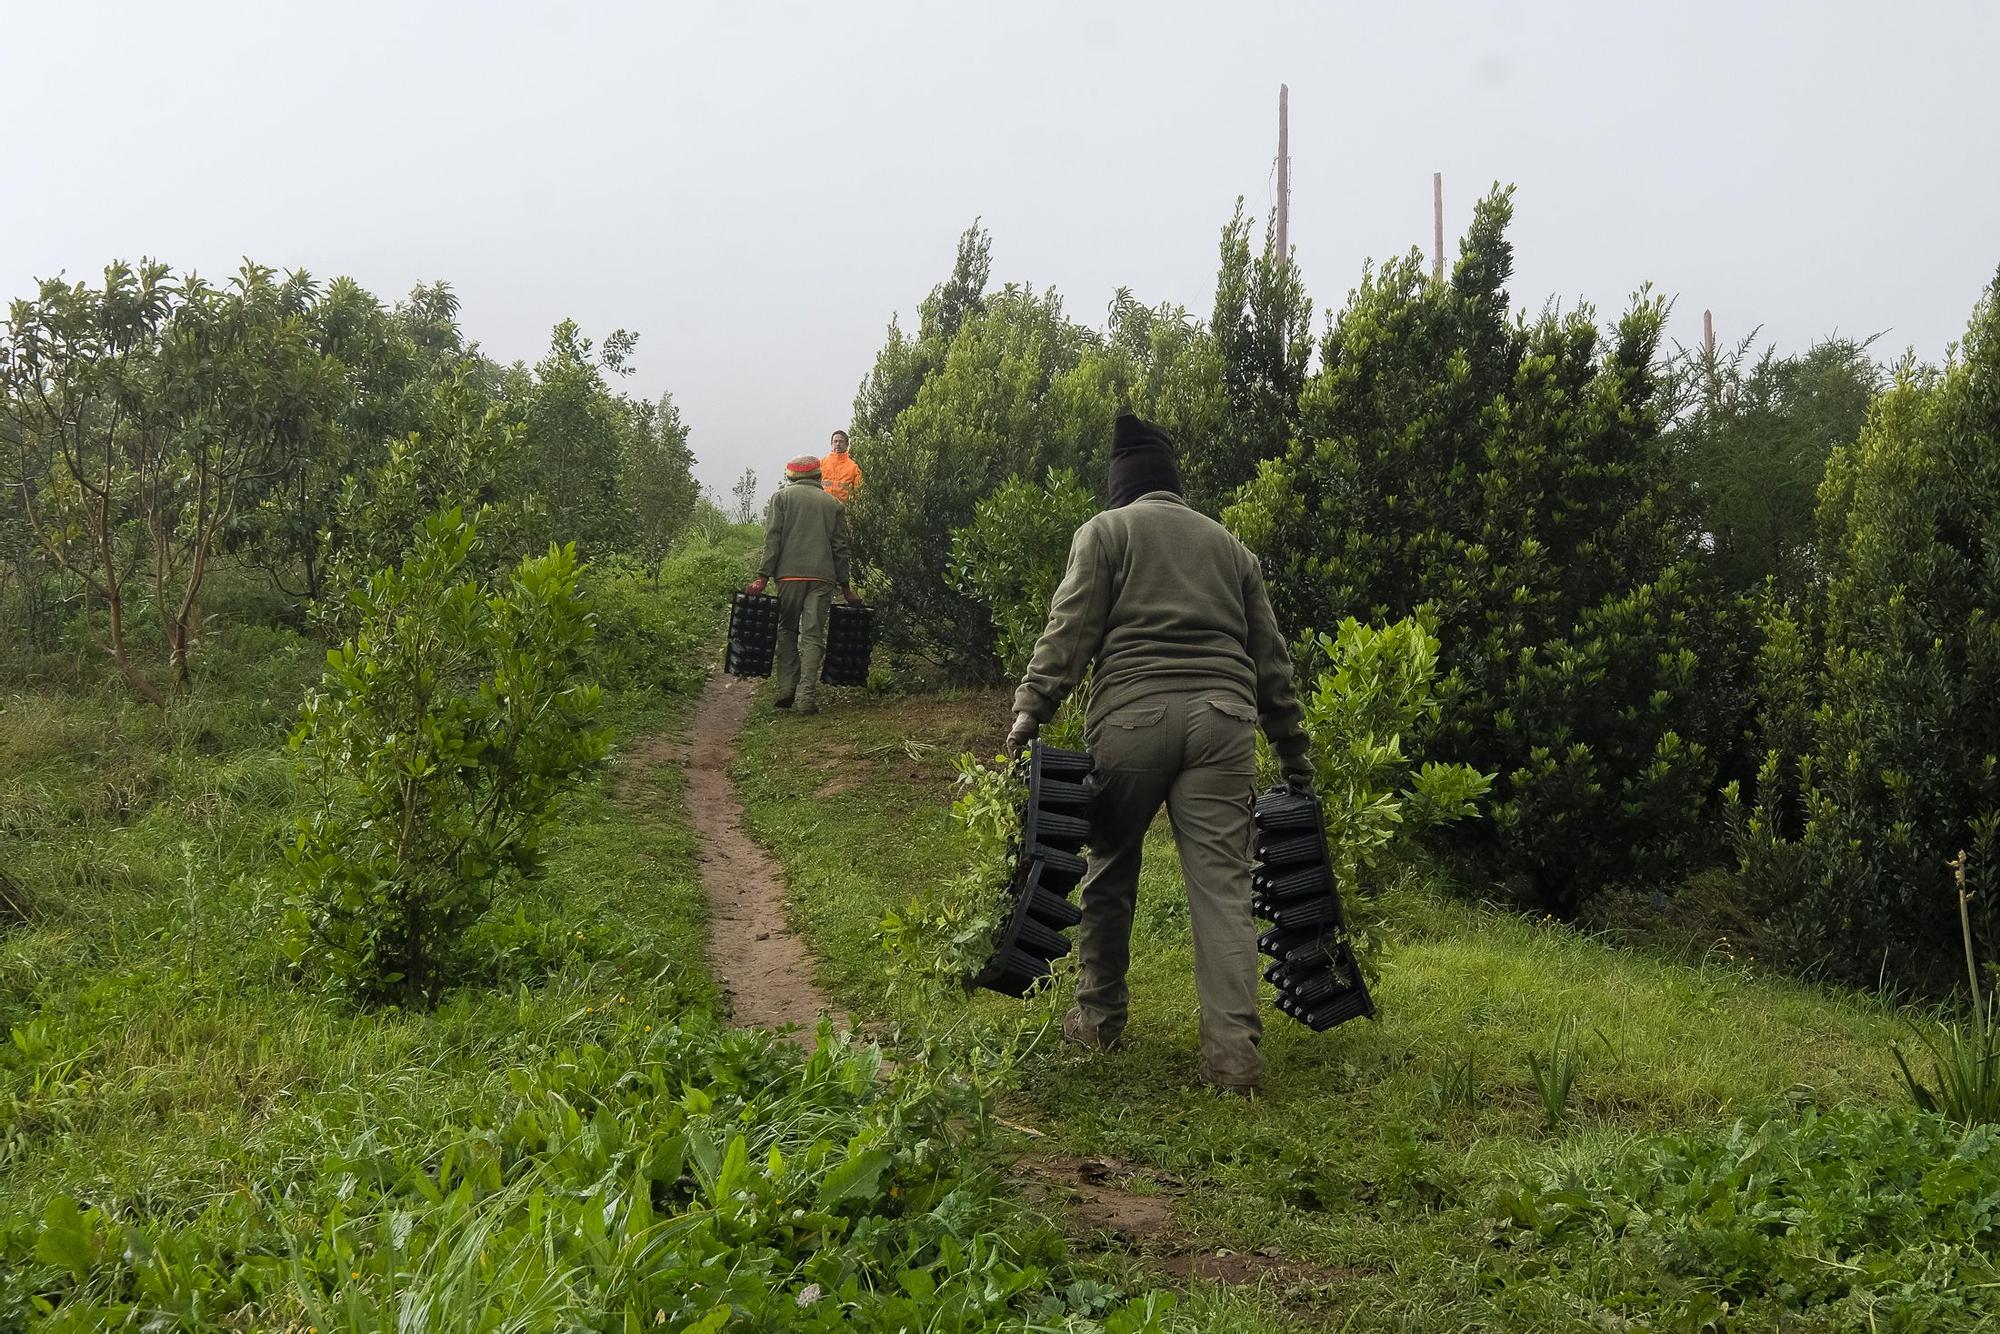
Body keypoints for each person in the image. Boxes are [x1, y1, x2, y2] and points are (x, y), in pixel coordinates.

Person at [1004, 414, 1315, 1096]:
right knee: (1224, 891)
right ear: (1174, 486)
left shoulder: (1106, 532)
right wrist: (1295, 756)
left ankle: (1098, 1019)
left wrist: (1032, 708)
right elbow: (1271, 663)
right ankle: (1234, 1061)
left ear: (1123, 487)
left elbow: (1071, 627)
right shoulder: (1232, 548)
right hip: (1225, 724)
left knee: (1112, 865)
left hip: (1132, 719)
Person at [746, 455, 861, 715]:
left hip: (787, 576)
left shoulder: (781, 498)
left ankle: (787, 688)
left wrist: (763, 576)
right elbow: (840, 548)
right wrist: (846, 587)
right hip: (823, 577)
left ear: (790, 477)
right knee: (813, 635)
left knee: (787, 629)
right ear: (819, 476)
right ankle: (806, 697)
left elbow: (772, 539)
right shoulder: (832, 504)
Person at [820, 429, 863, 504]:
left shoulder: (853, 467)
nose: (838, 444)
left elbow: (858, 493)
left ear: (847, 445)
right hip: (824, 507)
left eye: (841, 441)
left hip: (844, 509)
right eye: (835, 441)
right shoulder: (822, 463)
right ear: (831, 444)